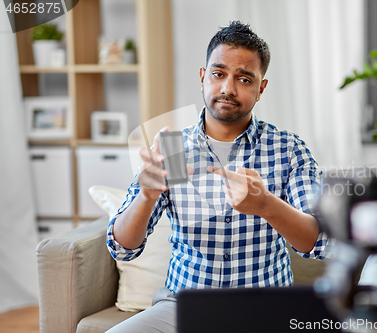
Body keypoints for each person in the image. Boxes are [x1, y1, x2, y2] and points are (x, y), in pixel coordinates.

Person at [106, 20, 329, 333]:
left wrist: (266, 205)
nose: (228, 87)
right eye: (219, 73)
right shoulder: (172, 148)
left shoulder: (288, 148)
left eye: (244, 78)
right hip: (183, 306)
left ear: (261, 88)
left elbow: (321, 242)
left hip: (267, 308)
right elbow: (122, 248)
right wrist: (146, 195)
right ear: (203, 77)